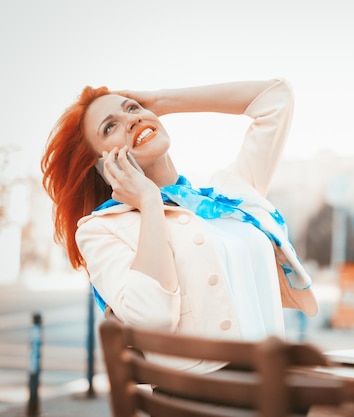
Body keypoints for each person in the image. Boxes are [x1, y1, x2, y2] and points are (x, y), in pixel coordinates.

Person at [41, 78, 317, 372]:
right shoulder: (102, 229)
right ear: (100, 165)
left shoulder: (229, 196)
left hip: (271, 386)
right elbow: (152, 319)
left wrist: (161, 102)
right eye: (110, 127)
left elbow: (275, 98)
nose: (132, 119)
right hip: (199, 397)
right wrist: (148, 201)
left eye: (133, 108)